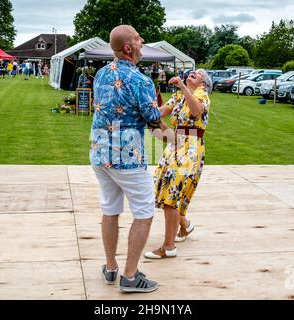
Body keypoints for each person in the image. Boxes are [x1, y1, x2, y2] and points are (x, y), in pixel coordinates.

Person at [90, 25, 163, 293]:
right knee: (144, 212)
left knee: (110, 209)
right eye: (137, 38)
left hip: (100, 154)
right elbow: (155, 124)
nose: (142, 41)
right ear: (129, 48)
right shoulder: (141, 81)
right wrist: (177, 139)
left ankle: (111, 269)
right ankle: (131, 277)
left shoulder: (100, 74)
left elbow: (122, 109)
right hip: (127, 158)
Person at [145, 69, 212, 259]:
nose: (193, 73)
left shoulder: (202, 95)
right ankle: (185, 225)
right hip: (176, 143)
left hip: (191, 147)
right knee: (166, 189)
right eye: (192, 71)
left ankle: (169, 246)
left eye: (198, 73)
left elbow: (197, 111)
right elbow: (161, 112)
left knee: (172, 194)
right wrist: (145, 109)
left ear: (203, 83)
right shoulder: (178, 95)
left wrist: (183, 86)